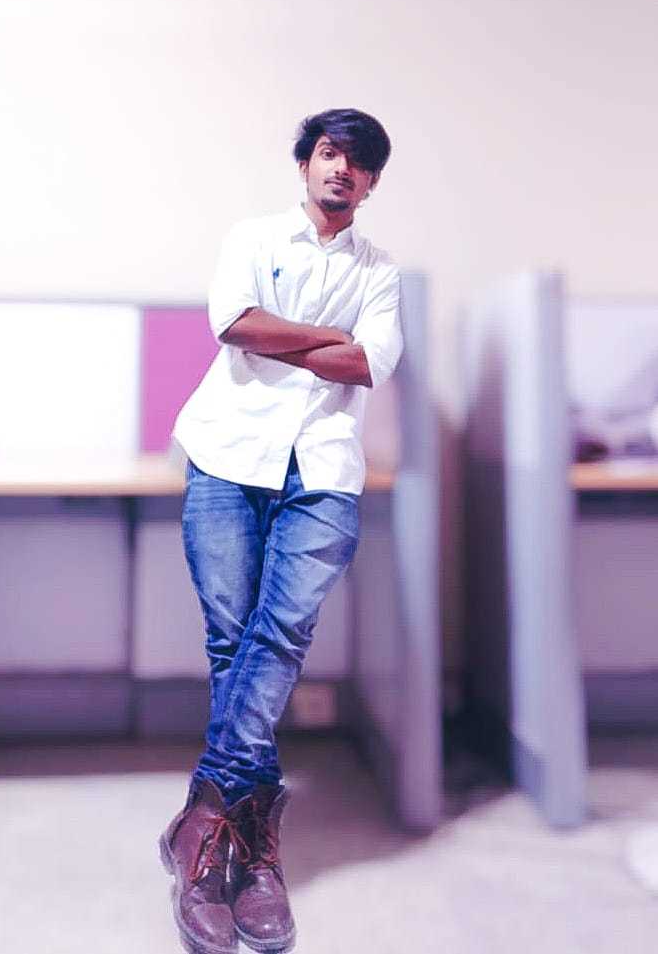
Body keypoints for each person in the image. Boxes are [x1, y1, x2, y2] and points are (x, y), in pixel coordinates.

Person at [159, 108, 403, 954]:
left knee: (282, 632)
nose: (341, 169)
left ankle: (203, 819)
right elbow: (235, 324)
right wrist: (326, 338)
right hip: (227, 455)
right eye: (330, 152)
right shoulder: (252, 237)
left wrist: (293, 340)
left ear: (371, 182)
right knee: (233, 641)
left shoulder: (381, 272)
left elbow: (367, 363)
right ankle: (249, 852)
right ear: (307, 163)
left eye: (358, 161)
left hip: (324, 467)